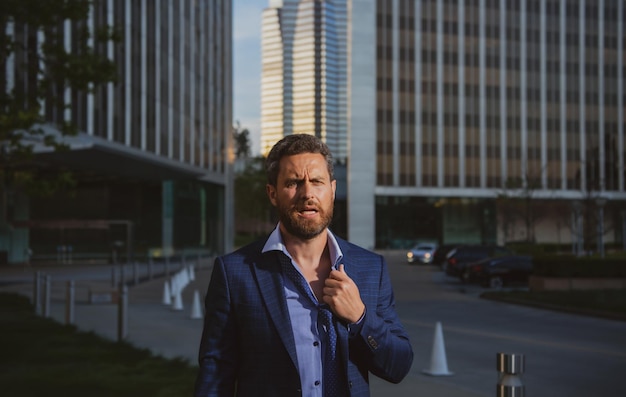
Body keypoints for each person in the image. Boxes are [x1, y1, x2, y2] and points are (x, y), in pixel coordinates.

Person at [195, 134, 413, 397]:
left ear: (332, 190)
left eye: (317, 182)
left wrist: (360, 318)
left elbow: (398, 367)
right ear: (272, 193)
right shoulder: (234, 273)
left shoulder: (371, 268)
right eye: (294, 182)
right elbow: (215, 374)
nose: (307, 193)